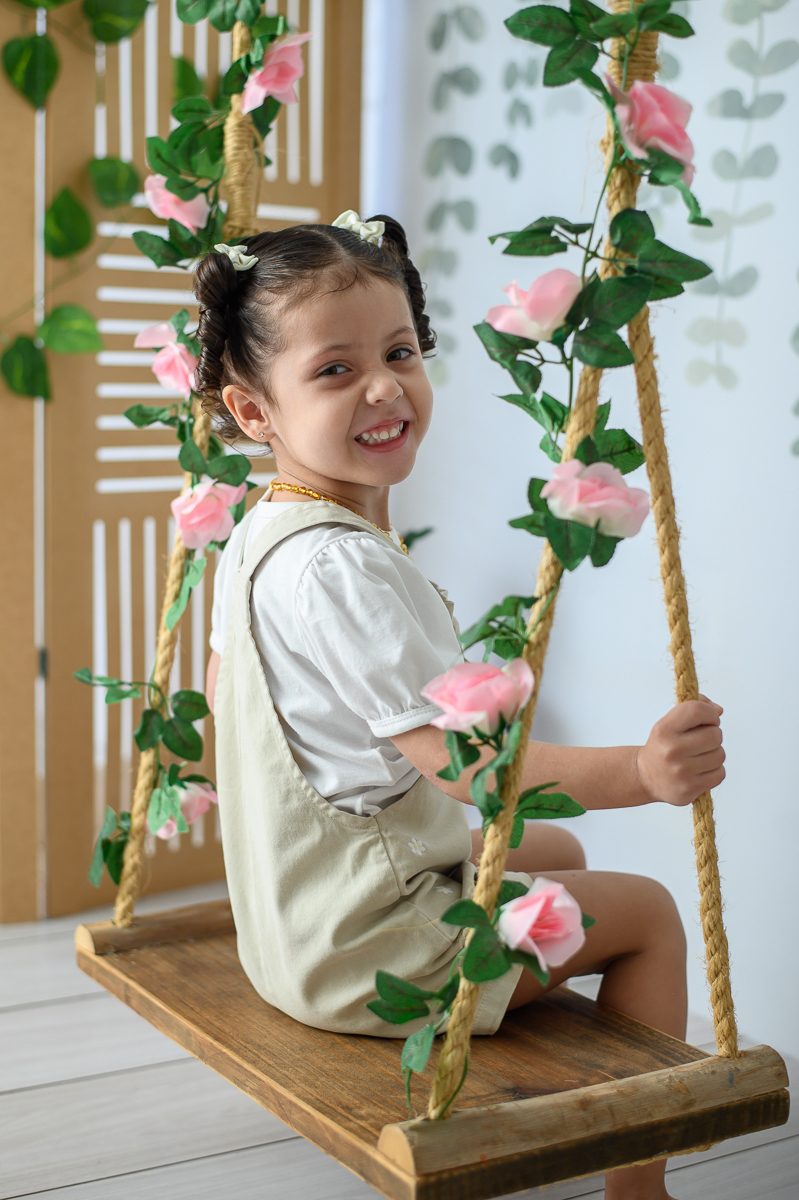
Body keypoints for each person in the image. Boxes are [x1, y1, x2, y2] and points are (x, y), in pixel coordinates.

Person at [197, 214, 725, 1200]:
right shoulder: (341, 568)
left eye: (398, 352)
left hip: (296, 919)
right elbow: (469, 765)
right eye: (334, 370)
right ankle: (638, 1190)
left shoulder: (263, 534)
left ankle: (535, 1008)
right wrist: (639, 775)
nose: (384, 385)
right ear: (254, 411)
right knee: (647, 912)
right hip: (368, 951)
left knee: (559, 857)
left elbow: (230, 705)